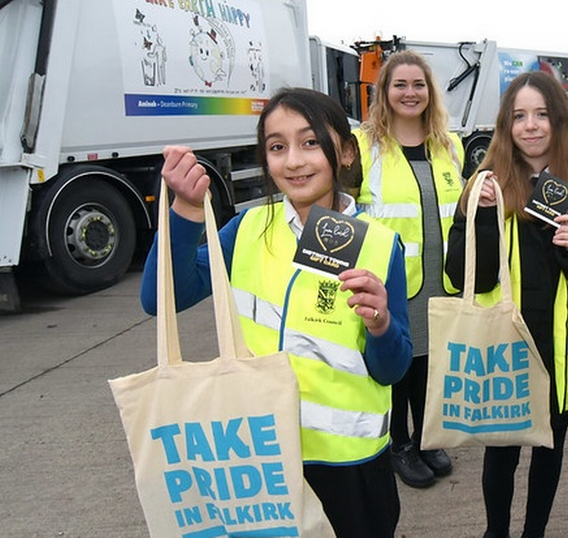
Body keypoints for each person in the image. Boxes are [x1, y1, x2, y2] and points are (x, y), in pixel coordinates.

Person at [140, 87, 412, 538]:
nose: (294, 161)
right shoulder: (246, 228)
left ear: (345, 152)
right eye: (277, 147)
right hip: (259, 458)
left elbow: (392, 368)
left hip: (350, 464)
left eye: (310, 142)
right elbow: (161, 297)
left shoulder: (381, 244)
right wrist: (186, 210)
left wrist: (380, 324)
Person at [445, 71, 568, 538]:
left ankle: (534, 531)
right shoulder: (484, 183)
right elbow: (458, 275)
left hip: (559, 351)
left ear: (559, 121)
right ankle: (496, 531)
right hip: (503, 344)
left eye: (541, 115)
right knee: (501, 452)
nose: (530, 126)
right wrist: (485, 216)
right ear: (505, 125)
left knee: (549, 450)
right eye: (519, 116)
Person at [354, 49, 465, 489]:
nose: (410, 93)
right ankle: (399, 442)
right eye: (399, 85)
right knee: (400, 365)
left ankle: (425, 437)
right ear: (384, 92)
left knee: (431, 363)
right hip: (392, 281)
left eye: (418, 84)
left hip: (442, 278)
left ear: (429, 91)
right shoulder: (364, 148)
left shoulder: (449, 145)